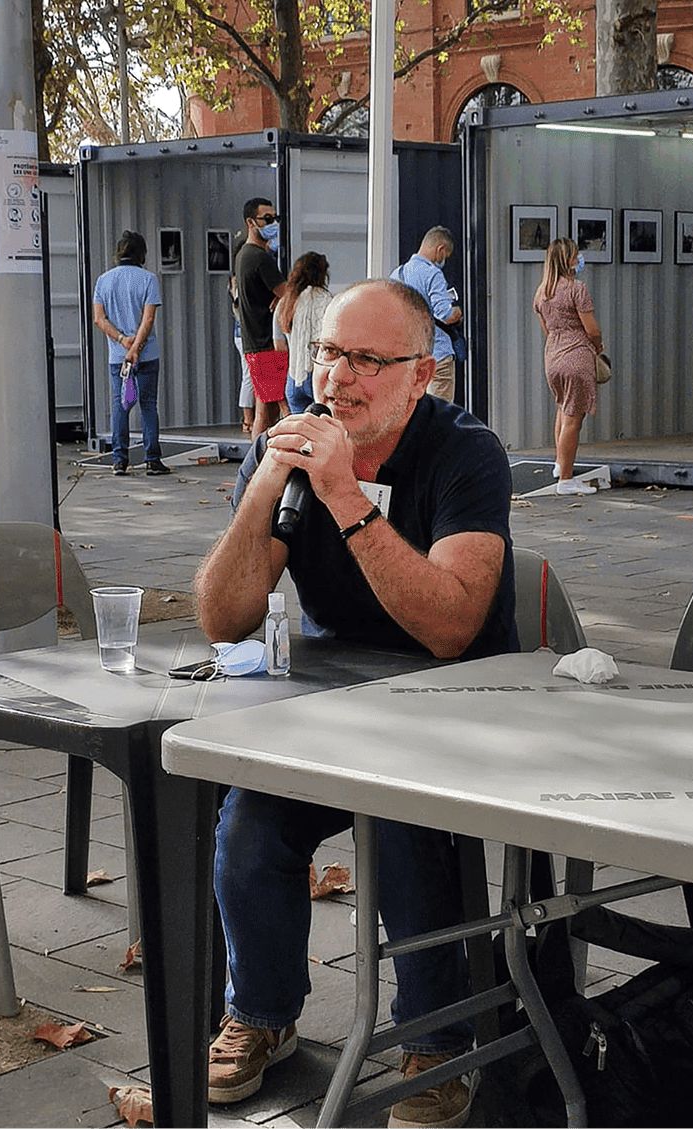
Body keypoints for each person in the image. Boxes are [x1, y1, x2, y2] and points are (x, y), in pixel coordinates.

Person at [195, 279, 518, 1129]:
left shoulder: (464, 453)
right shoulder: (290, 447)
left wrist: (342, 493)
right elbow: (222, 619)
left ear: (421, 374)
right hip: (338, 707)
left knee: (403, 820)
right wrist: (265, 485)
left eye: (367, 360)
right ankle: (261, 1013)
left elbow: (451, 626)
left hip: (461, 704)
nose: (337, 377)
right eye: (328, 352)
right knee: (250, 819)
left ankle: (436, 1038)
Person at [92, 230, 171, 476]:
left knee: (120, 404)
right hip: (146, 355)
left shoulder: (103, 280)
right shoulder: (148, 279)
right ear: (141, 254)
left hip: (118, 356)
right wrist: (136, 347)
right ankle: (152, 459)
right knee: (148, 405)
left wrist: (121, 340)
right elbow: (148, 320)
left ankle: (119, 460)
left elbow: (99, 319)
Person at [532, 237, 603, 496]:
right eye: (576, 255)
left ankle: (559, 464)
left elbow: (547, 329)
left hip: (553, 356)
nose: (579, 259)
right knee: (574, 419)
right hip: (576, 355)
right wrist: (598, 345)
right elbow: (592, 330)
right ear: (567, 261)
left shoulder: (542, 293)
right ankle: (566, 479)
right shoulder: (577, 289)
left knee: (563, 408)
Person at [234, 197, 288, 439]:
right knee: (271, 410)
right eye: (266, 219)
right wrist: (283, 297)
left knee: (265, 407)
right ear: (250, 222)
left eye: (275, 219)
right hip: (266, 344)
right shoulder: (259, 258)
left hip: (255, 343)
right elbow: (287, 293)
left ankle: (259, 458)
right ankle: (257, 458)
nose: (272, 223)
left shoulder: (244, 255)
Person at [391, 226, 462, 403]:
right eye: (445, 255)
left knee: (412, 409)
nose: (443, 260)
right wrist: (457, 312)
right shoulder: (433, 274)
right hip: (436, 354)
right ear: (440, 249)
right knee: (439, 412)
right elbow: (444, 314)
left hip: (408, 355)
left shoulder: (397, 274)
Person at [274, 251, 331, 414]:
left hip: (293, 378)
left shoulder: (284, 304)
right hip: (317, 376)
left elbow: (279, 346)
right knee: (322, 425)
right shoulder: (326, 300)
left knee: (300, 427)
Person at [229, 232, 255, 434]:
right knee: (248, 375)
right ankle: (248, 419)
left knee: (250, 375)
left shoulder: (236, 278)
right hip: (244, 332)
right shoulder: (237, 279)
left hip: (241, 332)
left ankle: (250, 418)